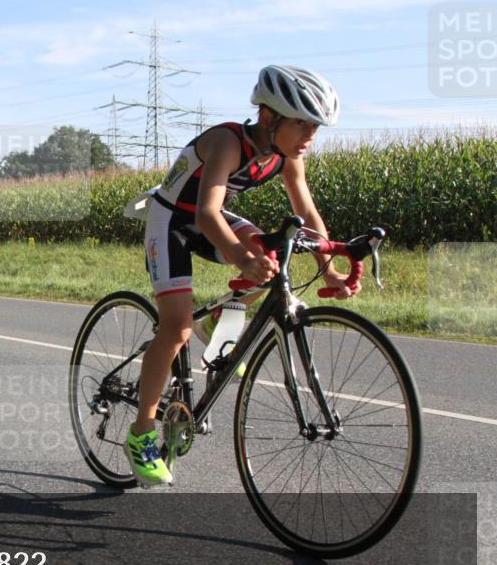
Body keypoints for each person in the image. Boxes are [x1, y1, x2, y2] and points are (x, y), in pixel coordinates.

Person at [122, 65, 356, 486]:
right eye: (301, 123)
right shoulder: (228, 142)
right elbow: (208, 213)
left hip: (207, 218)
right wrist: (239, 258)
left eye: (315, 126)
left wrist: (331, 268)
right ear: (269, 118)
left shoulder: (287, 158)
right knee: (176, 328)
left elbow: (306, 215)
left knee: (274, 256)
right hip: (172, 220)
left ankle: (220, 320)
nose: (310, 135)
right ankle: (141, 433)